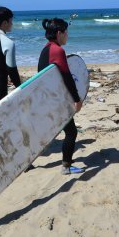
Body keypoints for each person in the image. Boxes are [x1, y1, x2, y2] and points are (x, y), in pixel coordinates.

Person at [38, 18, 84, 175]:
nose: (67, 35)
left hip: (46, 98)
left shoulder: (46, 48)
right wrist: (77, 99)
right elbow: (67, 77)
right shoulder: (57, 51)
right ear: (59, 33)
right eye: (66, 32)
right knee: (71, 132)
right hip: (55, 100)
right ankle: (66, 166)